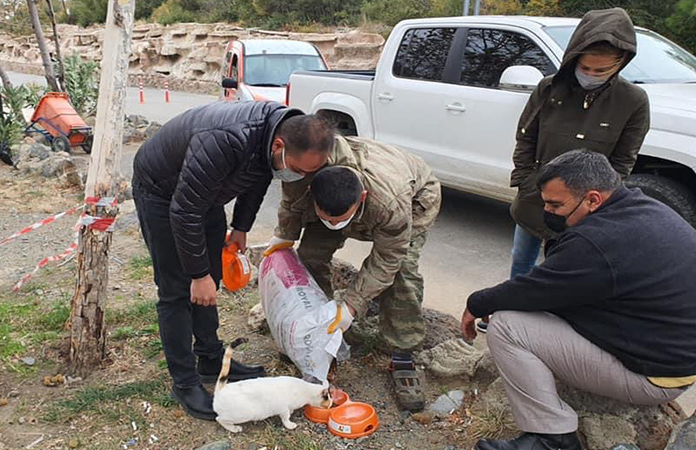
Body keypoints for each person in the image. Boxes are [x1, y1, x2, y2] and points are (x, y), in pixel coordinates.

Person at [461, 150, 696, 450]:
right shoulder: (646, 208)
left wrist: (478, 302)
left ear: (593, 199)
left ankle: (552, 437)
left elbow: (535, 290)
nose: (548, 211)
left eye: (556, 204)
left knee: (507, 324)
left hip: (653, 376)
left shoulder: (596, 242)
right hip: (673, 356)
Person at [132, 101, 334, 420]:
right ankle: (185, 382)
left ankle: (210, 358)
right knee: (178, 289)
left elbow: (259, 177)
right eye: (299, 170)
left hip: (203, 193)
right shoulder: (226, 140)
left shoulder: (272, 135)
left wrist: (240, 226)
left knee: (213, 273)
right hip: (162, 192)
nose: (300, 178)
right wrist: (197, 275)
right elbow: (184, 212)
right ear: (280, 146)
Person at [478, 7, 652, 333]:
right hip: (535, 198)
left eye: (601, 70)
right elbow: (525, 138)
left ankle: (551, 328)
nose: (590, 74)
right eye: (584, 67)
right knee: (522, 261)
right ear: (573, 58)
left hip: (585, 209)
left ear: (621, 64)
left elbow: (624, 160)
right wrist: (527, 183)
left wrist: (597, 202)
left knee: (566, 271)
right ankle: (510, 319)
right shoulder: (550, 89)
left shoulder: (633, 101)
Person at [266, 136, 441, 411]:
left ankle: (403, 353)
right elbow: (291, 205)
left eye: (340, 219)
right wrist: (285, 235)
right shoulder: (302, 175)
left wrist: (351, 306)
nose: (334, 225)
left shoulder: (390, 203)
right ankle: (316, 333)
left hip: (414, 197)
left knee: (400, 273)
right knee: (309, 257)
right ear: (312, 192)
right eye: (327, 218)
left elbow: (387, 259)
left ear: (362, 199)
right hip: (341, 196)